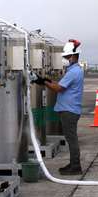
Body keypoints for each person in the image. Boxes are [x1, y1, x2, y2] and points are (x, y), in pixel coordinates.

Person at [33, 39, 84, 175]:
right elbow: (60, 84)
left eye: (67, 57)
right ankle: (73, 164)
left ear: (73, 56)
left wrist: (43, 82)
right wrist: (47, 80)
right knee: (71, 138)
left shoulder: (74, 72)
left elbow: (59, 88)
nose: (65, 59)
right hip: (70, 109)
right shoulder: (73, 70)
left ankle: (76, 167)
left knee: (71, 139)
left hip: (69, 110)